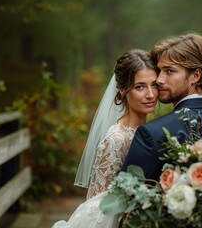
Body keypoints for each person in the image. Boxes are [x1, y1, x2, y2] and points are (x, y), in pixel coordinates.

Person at [52, 49, 158, 228]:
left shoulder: (150, 131)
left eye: (154, 85)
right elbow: (98, 205)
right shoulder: (117, 139)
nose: (151, 94)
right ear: (123, 89)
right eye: (140, 87)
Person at [121, 33, 202, 181]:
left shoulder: (151, 134)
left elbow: (121, 195)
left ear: (196, 76)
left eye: (169, 71)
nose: (159, 80)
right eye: (159, 71)